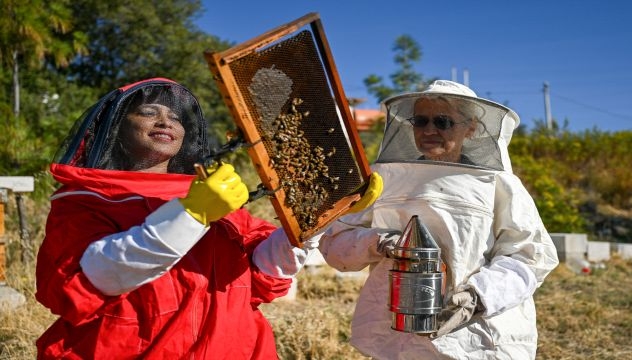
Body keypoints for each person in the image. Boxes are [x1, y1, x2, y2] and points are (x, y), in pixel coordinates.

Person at [34, 77, 381, 359]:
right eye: (149, 113)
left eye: (175, 118)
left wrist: (316, 216)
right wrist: (191, 214)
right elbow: (93, 279)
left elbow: (264, 273)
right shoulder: (86, 199)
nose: (165, 121)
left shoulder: (212, 196)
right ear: (118, 130)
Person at [319, 80, 559, 359]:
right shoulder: (382, 179)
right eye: (420, 121)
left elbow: (531, 257)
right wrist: (378, 243)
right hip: (396, 335)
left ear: (470, 128)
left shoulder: (498, 184)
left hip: (476, 337)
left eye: (443, 121)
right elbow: (335, 244)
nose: (429, 130)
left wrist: (476, 298)